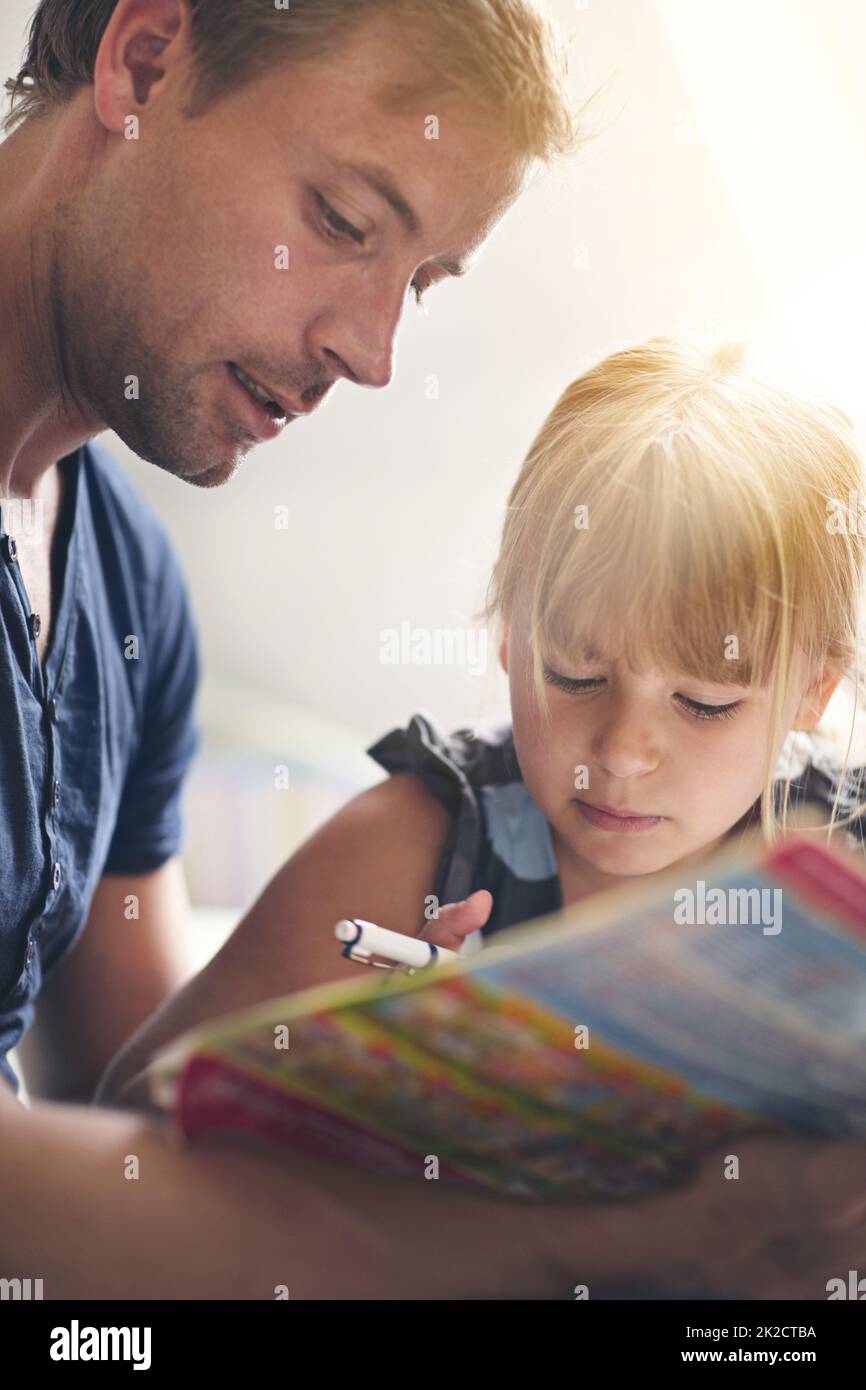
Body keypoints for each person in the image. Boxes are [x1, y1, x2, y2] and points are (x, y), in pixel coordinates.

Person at [99, 337, 866, 1297]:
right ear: (507, 636)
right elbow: (120, 1137)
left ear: (812, 691)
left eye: (704, 702)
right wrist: (379, 1087)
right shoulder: (420, 845)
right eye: (574, 674)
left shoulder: (848, 861)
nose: (623, 750)